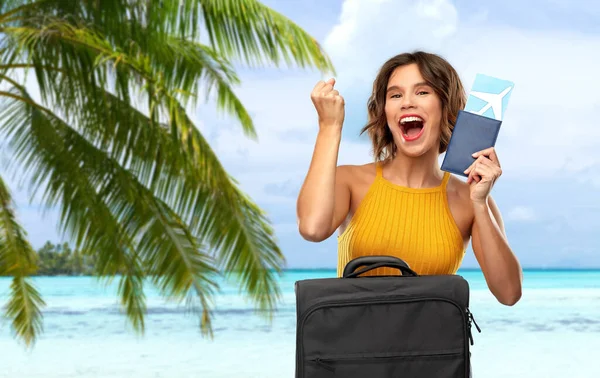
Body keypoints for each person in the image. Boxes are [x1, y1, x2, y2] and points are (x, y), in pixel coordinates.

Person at [296, 51, 522, 306]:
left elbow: (509, 293)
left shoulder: (471, 199)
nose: (407, 102)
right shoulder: (350, 180)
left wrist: (480, 203)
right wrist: (329, 126)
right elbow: (312, 228)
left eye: (422, 92)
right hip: (353, 344)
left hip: (434, 345)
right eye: (395, 95)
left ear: (445, 106)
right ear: (385, 113)